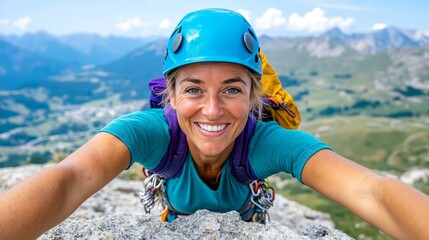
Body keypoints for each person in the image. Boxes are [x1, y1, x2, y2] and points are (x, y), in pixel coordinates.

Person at [1, 8, 428, 240]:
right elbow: (69, 178)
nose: (211, 110)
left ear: (254, 96)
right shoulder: (150, 131)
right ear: (169, 96)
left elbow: (373, 191)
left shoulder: (267, 141)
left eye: (231, 89)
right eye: (192, 90)